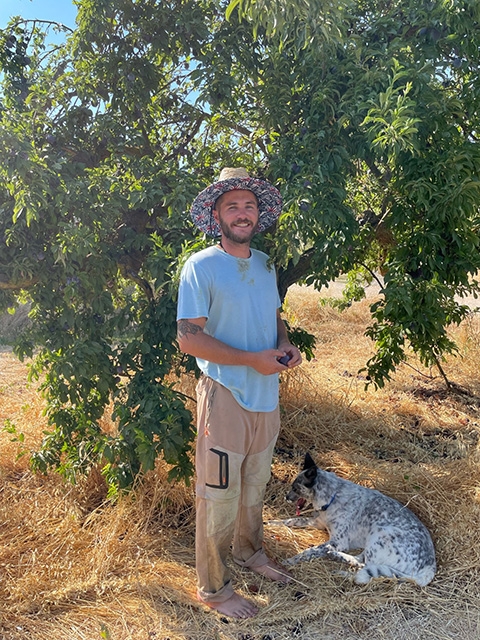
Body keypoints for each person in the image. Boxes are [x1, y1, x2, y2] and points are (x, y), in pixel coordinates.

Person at [176, 167, 302, 619]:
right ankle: (214, 589)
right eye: (232, 205)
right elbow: (189, 338)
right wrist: (250, 360)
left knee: (255, 485)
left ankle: (251, 553)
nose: (242, 213)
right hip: (225, 394)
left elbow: (274, 318)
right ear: (217, 214)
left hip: (266, 395)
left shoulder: (267, 263)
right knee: (218, 494)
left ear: (259, 213)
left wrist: (285, 344)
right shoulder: (201, 265)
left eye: (249, 205)